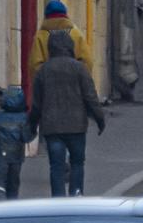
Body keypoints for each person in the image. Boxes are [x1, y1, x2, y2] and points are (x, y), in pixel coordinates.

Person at [28, 32, 107, 196]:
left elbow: (37, 103)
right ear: (71, 46)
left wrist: (31, 125)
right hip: (76, 127)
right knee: (77, 163)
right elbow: (90, 97)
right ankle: (76, 194)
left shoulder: (43, 71)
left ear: (50, 47)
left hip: (52, 128)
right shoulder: (79, 68)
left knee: (56, 166)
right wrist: (100, 119)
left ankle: (58, 200)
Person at [27, 0, 93, 87]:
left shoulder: (40, 36)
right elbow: (87, 62)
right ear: (65, 15)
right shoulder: (76, 34)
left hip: (49, 90)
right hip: (73, 87)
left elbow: (34, 66)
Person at [0, 86, 34, 200]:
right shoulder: (24, 119)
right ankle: (11, 202)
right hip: (16, 155)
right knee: (13, 180)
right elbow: (26, 137)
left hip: (0, 153)